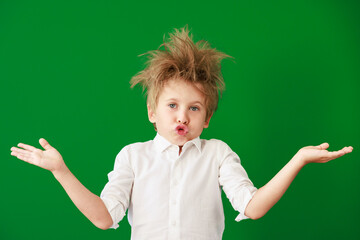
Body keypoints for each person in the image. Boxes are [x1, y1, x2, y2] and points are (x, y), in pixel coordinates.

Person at [10, 26, 353, 240]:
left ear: (207, 119)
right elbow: (104, 218)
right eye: (172, 105)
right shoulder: (133, 156)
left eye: (194, 108)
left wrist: (299, 159)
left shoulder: (217, 153)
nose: (182, 117)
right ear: (152, 113)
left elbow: (253, 206)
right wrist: (61, 171)